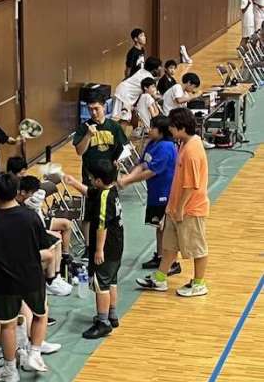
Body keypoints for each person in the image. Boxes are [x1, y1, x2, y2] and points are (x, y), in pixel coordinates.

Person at [0, 173, 53, 382]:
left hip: (4, 281)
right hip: (32, 276)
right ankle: (35, 354)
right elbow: (44, 248)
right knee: (40, 314)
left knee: (8, 325)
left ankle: (10, 370)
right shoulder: (31, 217)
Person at [136, 108, 210, 297]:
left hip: (190, 210)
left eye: (172, 127)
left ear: (182, 128)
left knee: (197, 248)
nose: (169, 130)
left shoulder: (192, 151)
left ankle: (199, 283)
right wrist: (171, 208)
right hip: (175, 207)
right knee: (169, 246)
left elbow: (191, 185)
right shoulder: (183, 144)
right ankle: (160, 279)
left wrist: (180, 209)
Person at [64, 160, 124, 339]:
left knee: (101, 285)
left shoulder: (104, 198)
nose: (89, 180)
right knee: (111, 281)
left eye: (91, 178)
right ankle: (112, 315)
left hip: (106, 248)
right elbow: (90, 192)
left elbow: (101, 226)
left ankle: (103, 323)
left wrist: (98, 250)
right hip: (117, 246)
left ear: (98, 180)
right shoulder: (110, 190)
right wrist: (74, 183)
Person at [117, 115, 180, 274]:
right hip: (154, 192)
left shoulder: (166, 148)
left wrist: (127, 181)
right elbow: (142, 164)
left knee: (166, 229)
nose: (149, 129)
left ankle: (172, 262)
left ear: (161, 131)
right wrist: (127, 178)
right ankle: (160, 256)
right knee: (158, 227)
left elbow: (151, 171)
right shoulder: (152, 143)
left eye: (152, 127)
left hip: (165, 193)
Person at [72, 91, 127, 257]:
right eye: (90, 109)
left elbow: (124, 149)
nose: (94, 112)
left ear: (104, 106)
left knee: (109, 211)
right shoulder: (84, 128)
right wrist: (88, 135)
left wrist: (119, 160)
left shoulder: (114, 127)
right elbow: (80, 151)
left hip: (109, 178)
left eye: (96, 108)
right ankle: (88, 246)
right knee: (88, 214)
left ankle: (105, 243)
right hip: (91, 178)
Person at [17, 176, 73, 296]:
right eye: (32, 192)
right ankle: (50, 280)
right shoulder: (17, 202)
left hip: (38, 222)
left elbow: (41, 194)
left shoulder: (32, 195)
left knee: (63, 229)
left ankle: (59, 271)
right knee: (53, 241)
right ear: (23, 192)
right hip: (27, 231)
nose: (35, 194)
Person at [113, 57, 163, 123]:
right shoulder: (148, 77)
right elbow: (154, 96)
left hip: (122, 90)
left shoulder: (142, 71)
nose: (161, 68)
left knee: (120, 117)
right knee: (123, 118)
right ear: (154, 69)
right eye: (160, 66)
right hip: (125, 95)